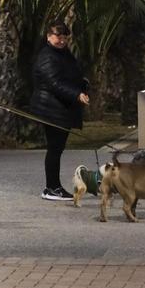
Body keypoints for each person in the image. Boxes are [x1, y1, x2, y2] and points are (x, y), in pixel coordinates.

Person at [30, 21, 90, 201]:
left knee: (57, 148)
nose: (62, 40)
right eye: (58, 37)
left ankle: (53, 187)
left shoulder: (62, 53)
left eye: (65, 37)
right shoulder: (48, 56)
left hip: (61, 107)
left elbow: (71, 74)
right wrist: (76, 94)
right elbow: (54, 83)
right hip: (51, 108)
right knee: (55, 148)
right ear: (49, 36)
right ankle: (52, 188)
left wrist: (83, 85)